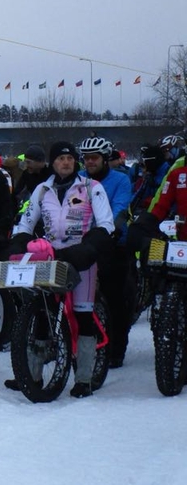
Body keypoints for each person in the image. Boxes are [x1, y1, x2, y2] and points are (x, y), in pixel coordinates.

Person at [5, 141, 115, 397]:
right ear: (52, 163)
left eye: (69, 158)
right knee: (43, 313)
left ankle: (84, 379)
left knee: (82, 315)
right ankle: (30, 374)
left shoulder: (91, 187)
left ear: (75, 162)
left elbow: (106, 223)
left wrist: (90, 246)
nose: (65, 162)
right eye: (60, 159)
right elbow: (27, 220)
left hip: (81, 258)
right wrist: (18, 240)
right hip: (50, 255)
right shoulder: (42, 189)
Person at [77, 136, 133, 367]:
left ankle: (117, 348)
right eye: (86, 158)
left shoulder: (120, 180)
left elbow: (120, 208)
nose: (89, 162)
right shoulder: (79, 180)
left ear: (105, 158)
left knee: (115, 298)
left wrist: (114, 229)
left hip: (113, 242)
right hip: (83, 243)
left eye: (94, 158)